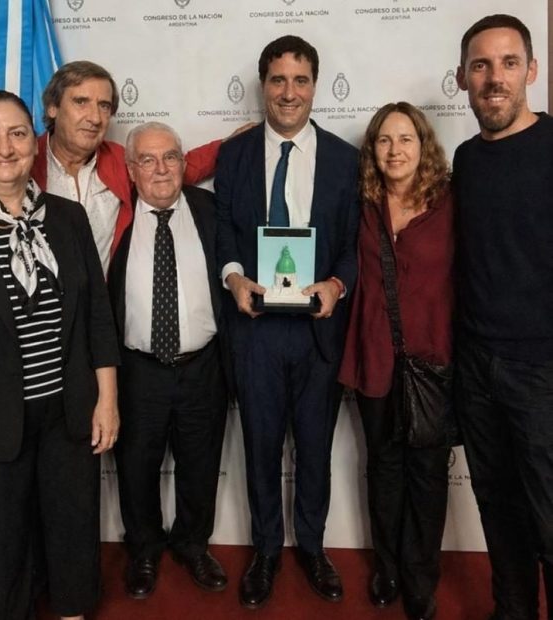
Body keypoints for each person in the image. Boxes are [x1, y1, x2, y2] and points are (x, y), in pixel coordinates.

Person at [0, 90, 120, 620]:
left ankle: (72, 611)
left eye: (17, 133)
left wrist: (106, 400)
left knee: (72, 531)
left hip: (69, 413)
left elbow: (97, 316)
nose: (5, 147)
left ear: (34, 142)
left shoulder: (68, 218)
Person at [215, 35, 360, 609]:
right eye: (278, 79)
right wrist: (233, 278)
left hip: (318, 332)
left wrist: (336, 284)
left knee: (316, 450)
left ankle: (315, 549)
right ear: (263, 86)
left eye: (300, 80)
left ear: (315, 86)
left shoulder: (346, 159)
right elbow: (225, 231)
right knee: (260, 448)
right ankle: (267, 551)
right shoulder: (235, 156)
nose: (289, 92)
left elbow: (353, 244)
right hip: (256, 330)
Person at [0, 61, 254, 272]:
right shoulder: (17, 159)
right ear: (53, 107)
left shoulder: (119, 159)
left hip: (103, 314)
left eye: (104, 106)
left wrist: (231, 145)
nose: (95, 117)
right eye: (81, 102)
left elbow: (177, 168)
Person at [453, 14, 553, 620]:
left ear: (532, 71)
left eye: (509, 63)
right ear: (462, 78)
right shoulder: (465, 159)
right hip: (475, 367)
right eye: (481, 65)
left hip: (541, 370)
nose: (495, 78)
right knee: (498, 510)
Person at [339, 102, 453, 620]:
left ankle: (420, 578)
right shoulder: (362, 205)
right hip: (374, 357)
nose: (395, 150)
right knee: (384, 468)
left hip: (433, 360)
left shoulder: (450, 202)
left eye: (406, 138)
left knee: (427, 475)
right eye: (384, 140)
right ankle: (386, 567)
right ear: (373, 150)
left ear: (423, 145)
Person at [107, 122, 229, 599]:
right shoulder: (113, 218)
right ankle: (143, 549)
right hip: (138, 370)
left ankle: (193, 545)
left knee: (201, 463)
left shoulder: (211, 210)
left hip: (203, 366)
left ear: (183, 163)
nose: (161, 169)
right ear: (131, 169)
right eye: (148, 160)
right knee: (136, 466)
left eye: (170, 157)